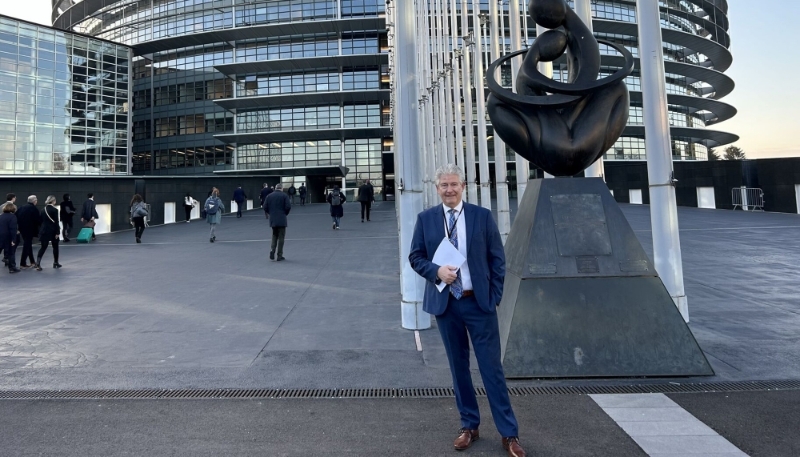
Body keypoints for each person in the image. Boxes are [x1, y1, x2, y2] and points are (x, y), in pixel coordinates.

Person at [408, 164, 526, 457]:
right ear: (437, 189)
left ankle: (509, 433)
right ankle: (469, 426)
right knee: (458, 369)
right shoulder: (426, 220)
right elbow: (415, 256)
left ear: (464, 187)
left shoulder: (481, 217)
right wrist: (437, 272)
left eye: (454, 184)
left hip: (479, 303)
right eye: (444, 185)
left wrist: (494, 296)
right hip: (447, 305)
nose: (449, 189)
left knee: (491, 369)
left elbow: (498, 259)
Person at [263, 183, 291, 261]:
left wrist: (270, 213)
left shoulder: (269, 196)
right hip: (282, 218)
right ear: (281, 188)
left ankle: (272, 250)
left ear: (275, 188)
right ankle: (279, 255)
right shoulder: (284, 196)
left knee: (274, 235)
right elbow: (288, 206)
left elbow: (265, 207)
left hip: (273, 218)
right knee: (281, 237)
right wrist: (285, 213)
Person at [36, 195, 61, 270]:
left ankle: (38, 263)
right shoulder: (55, 210)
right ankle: (55, 262)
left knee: (43, 247)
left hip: (44, 230)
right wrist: (57, 232)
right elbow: (56, 222)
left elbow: (40, 221)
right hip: (53, 230)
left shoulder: (43, 209)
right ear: (53, 201)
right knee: (55, 247)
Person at [16, 195, 41, 269]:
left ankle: (32, 261)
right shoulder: (34, 209)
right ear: (34, 201)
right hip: (30, 229)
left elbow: (16, 217)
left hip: (22, 229)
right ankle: (22, 263)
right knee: (27, 245)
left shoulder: (21, 207)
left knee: (28, 244)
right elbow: (38, 220)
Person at [0, 203, 19, 273]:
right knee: (11, 252)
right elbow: (13, 229)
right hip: (8, 237)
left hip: (0, 236)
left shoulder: (1, 216)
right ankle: (12, 268)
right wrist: (13, 239)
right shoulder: (12, 217)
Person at [1, 193, 16, 266]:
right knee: (10, 249)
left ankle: (6, 258)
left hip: (1, 231)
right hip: (8, 233)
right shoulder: (14, 209)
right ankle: (10, 264)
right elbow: (13, 226)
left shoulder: (1, 206)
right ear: (13, 198)